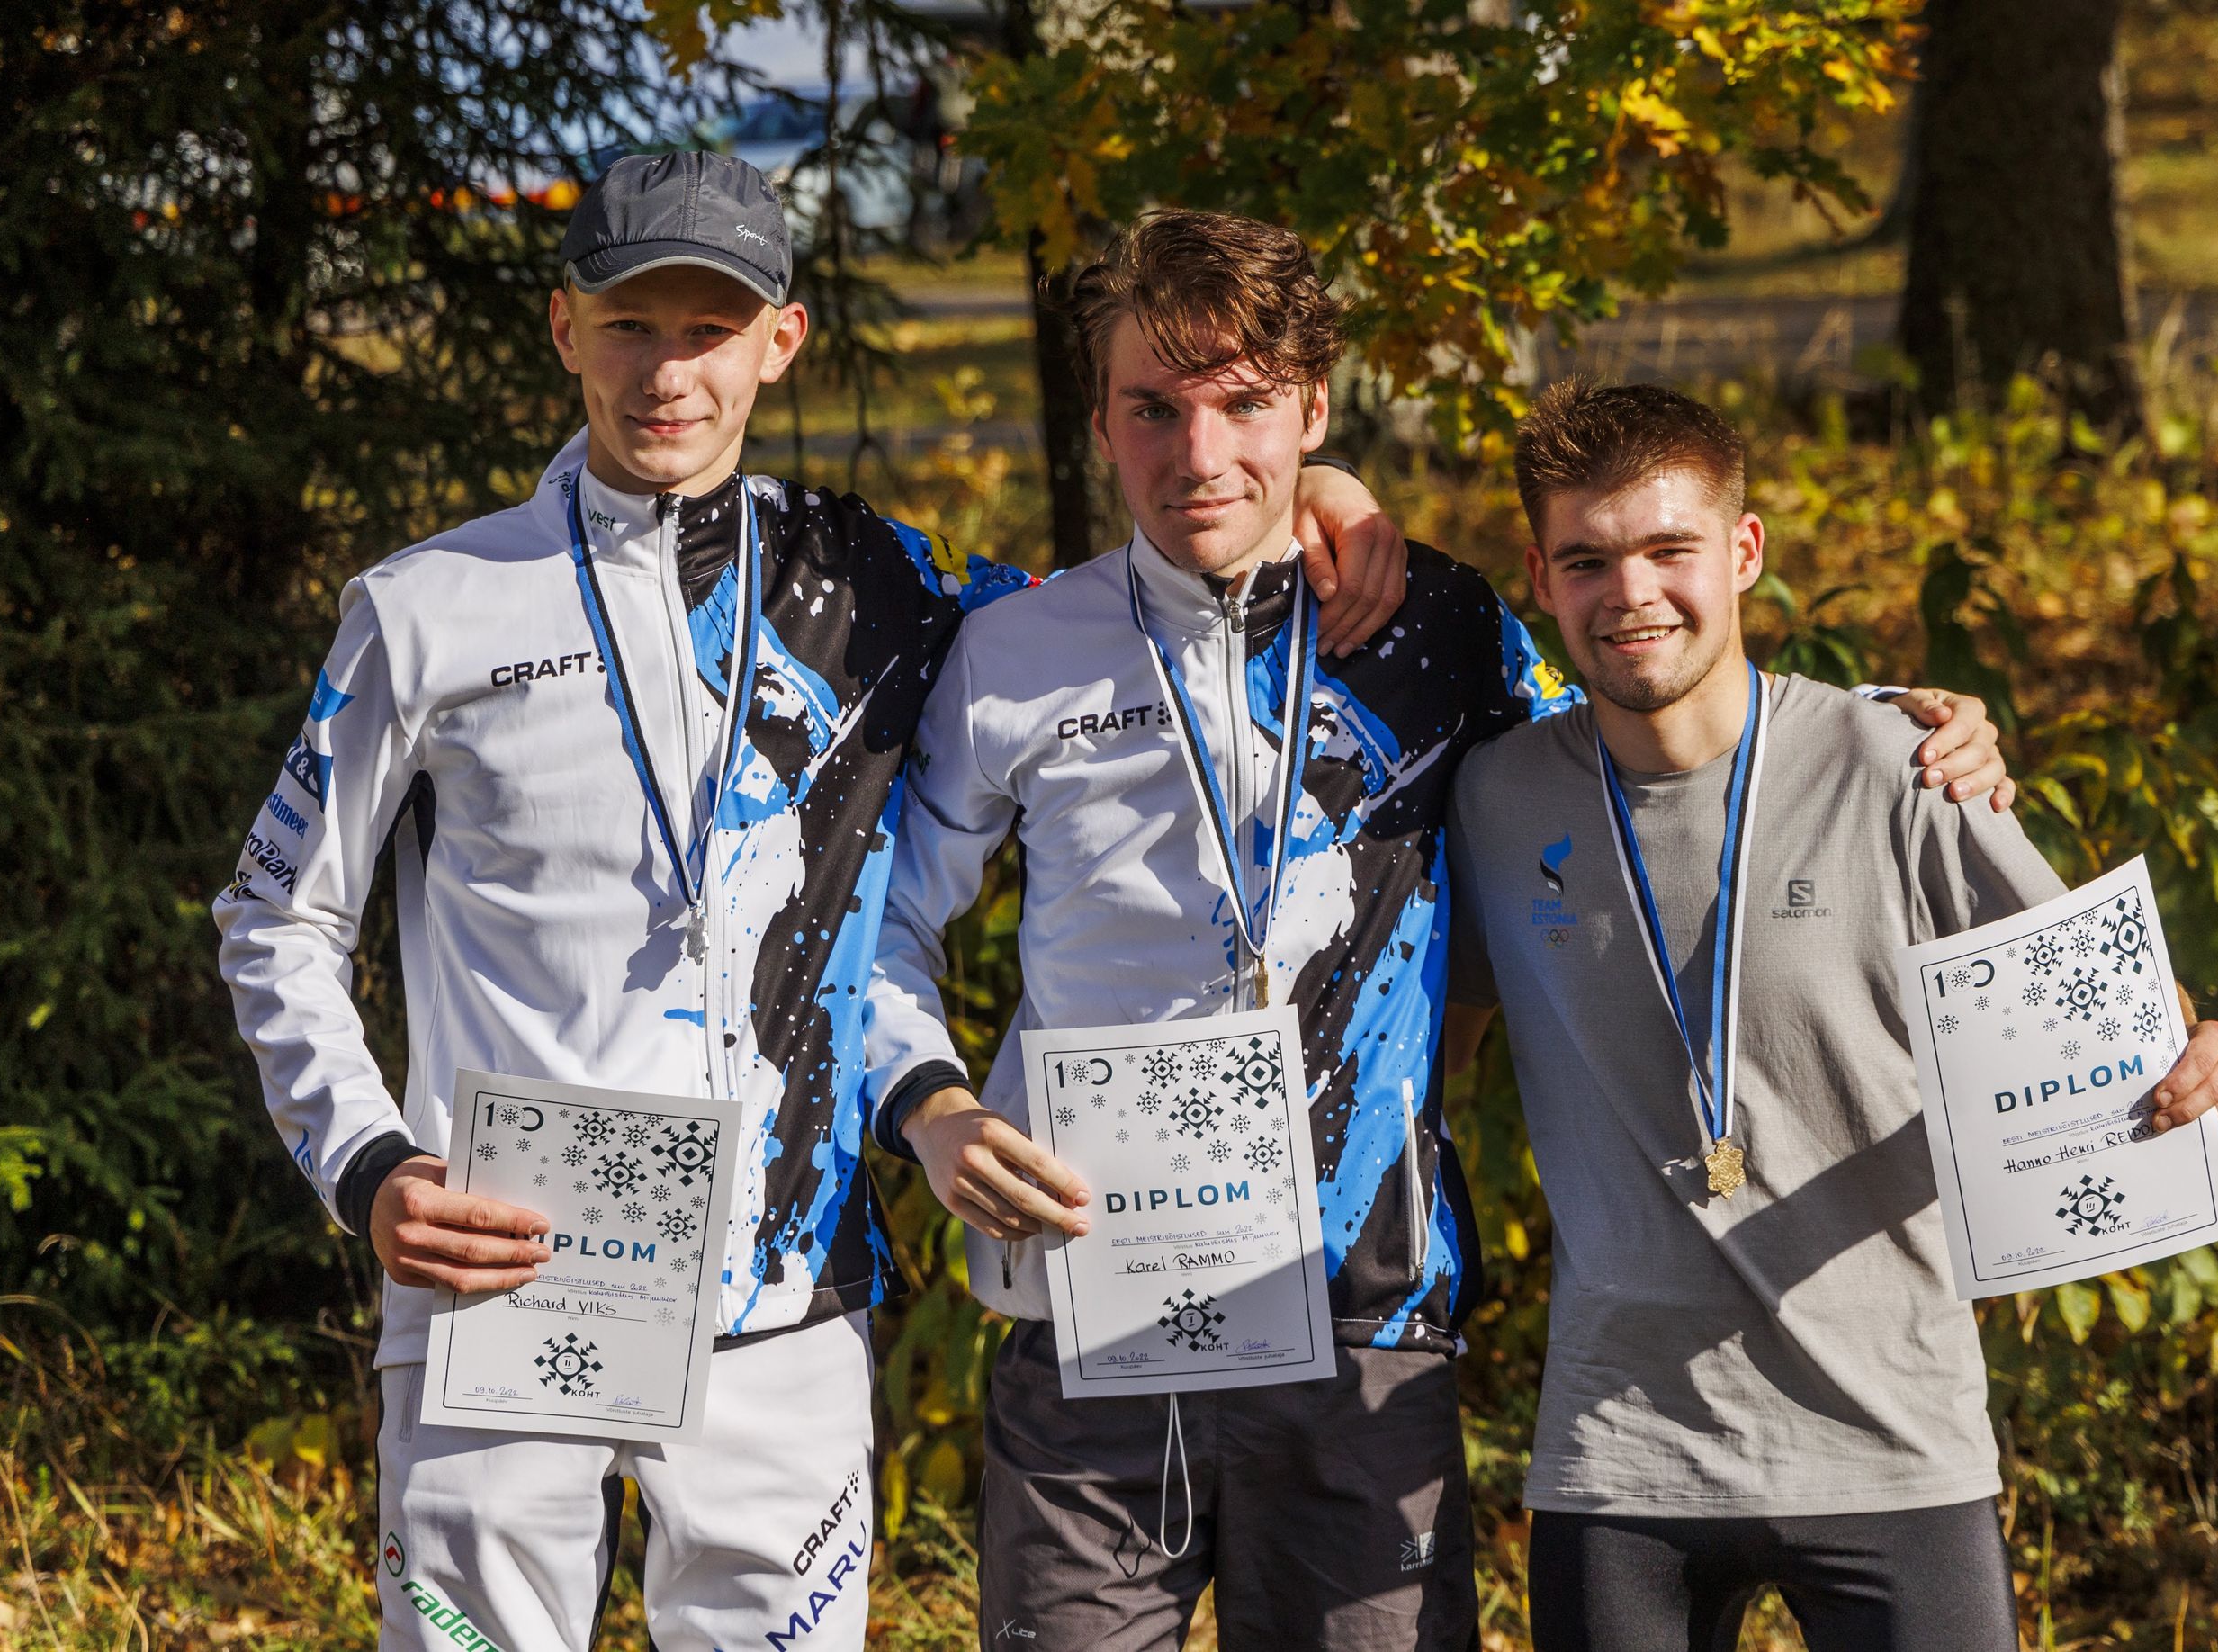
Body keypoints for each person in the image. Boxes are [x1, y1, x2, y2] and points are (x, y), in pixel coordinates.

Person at [212, 154, 1411, 1652]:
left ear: (776, 343)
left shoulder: (881, 583)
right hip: (505, 1276)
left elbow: (1137, 607)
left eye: (706, 329)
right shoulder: (426, 609)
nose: (667, 371)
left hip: (788, 1295)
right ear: (563, 329)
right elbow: (275, 918)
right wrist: (371, 1162)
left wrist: (1324, 495)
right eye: (629, 324)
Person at [858, 211, 2016, 1652]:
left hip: (1367, 1318)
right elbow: (879, 922)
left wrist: (1902, 734)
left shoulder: (1443, 630)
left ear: (1315, 406)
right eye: (1152, 409)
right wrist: (931, 1107)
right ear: (1098, 418)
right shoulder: (1014, 649)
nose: (1199, 455)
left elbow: (1658, 739)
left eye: (1244, 406)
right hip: (1088, 1303)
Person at [1443, 380, 2218, 1652]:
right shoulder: (1494, 800)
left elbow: (2111, 1020)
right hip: (1624, 1459)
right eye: (1588, 560)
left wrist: (2202, 1065)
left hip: (1896, 1443)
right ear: (1540, 580)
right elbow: (1419, 1041)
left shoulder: (1903, 763)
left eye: (1671, 550)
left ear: (1746, 552)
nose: (1633, 593)